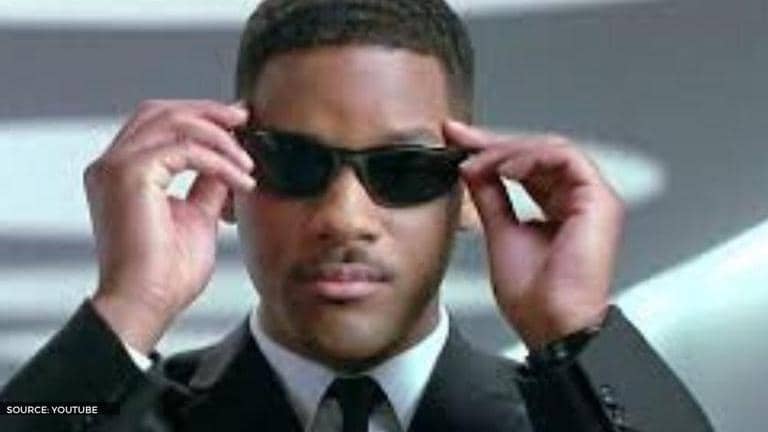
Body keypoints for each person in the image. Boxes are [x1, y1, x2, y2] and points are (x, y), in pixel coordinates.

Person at [0, 0, 713, 431]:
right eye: (294, 163)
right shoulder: (112, 412)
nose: (344, 217)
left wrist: (577, 333)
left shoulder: (575, 416)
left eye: (403, 170)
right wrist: (127, 309)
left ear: (471, 190)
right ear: (229, 177)